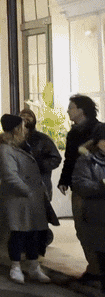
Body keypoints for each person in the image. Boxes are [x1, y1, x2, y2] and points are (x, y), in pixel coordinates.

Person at [0, 114, 53, 284]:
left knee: (34, 233)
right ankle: (16, 267)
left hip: (31, 198)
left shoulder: (22, 146)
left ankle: (34, 268)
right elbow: (10, 176)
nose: (26, 129)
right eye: (23, 127)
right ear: (16, 129)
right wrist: (28, 191)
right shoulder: (5, 149)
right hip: (17, 198)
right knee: (18, 233)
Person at [59, 94, 103, 284]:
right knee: (82, 228)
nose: (68, 110)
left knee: (93, 229)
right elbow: (69, 159)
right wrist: (64, 179)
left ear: (81, 110)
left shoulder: (98, 129)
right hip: (81, 184)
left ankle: (96, 270)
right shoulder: (74, 132)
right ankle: (93, 268)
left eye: (71, 107)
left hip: (96, 187)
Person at [71, 129, 105, 293]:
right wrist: (101, 186)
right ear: (98, 142)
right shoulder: (86, 161)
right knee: (101, 254)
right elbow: (79, 184)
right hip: (96, 215)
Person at [19, 108, 62, 199]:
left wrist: (39, 165)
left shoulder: (43, 139)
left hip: (41, 183)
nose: (26, 119)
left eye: (29, 116)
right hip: (21, 186)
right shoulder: (15, 140)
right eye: (23, 117)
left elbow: (56, 158)